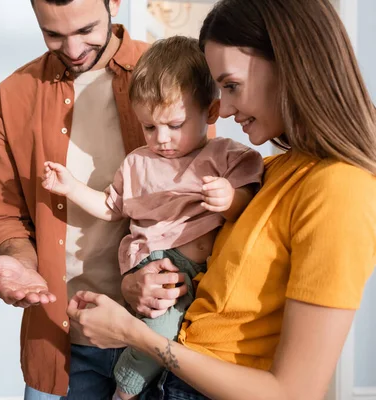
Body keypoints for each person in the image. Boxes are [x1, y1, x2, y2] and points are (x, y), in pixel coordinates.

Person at [66, 0, 376, 399]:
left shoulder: (342, 190)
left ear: (291, 64)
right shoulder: (279, 170)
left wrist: (132, 334)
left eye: (231, 86)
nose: (224, 110)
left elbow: (294, 392)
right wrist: (136, 285)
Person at [0, 0, 197, 398]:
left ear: (114, 3)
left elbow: (195, 201)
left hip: (157, 337)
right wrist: (21, 261)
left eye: (87, 30)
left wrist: (159, 278)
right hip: (62, 344)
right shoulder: (12, 98)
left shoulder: (168, 74)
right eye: (53, 34)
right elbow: (5, 216)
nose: (73, 50)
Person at [41, 35, 263, 400]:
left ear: (209, 112)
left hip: (198, 273)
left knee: (175, 331)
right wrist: (72, 188)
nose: (161, 139)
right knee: (159, 325)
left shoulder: (226, 156)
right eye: (149, 127)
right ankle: (125, 389)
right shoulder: (138, 163)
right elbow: (111, 208)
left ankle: (132, 384)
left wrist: (229, 198)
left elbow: (250, 207)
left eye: (174, 125)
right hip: (152, 262)